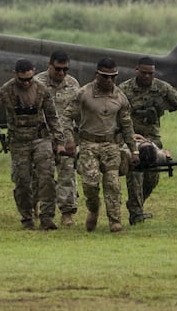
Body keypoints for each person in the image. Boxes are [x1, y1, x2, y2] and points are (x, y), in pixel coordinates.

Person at [0, 59, 65, 231]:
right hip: (19, 142)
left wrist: (59, 142)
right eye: (23, 80)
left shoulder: (41, 90)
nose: (27, 83)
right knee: (22, 181)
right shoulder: (6, 90)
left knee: (47, 177)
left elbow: (52, 117)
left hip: (40, 138)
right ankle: (27, 217)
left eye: (30, 79)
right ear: (15, 75)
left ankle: (47, 217)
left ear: (34, 73)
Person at [61, 57, 139, 233]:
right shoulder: (83, 94)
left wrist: (134, 150)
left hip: (111, 145)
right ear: (97, 75)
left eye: (113, 76)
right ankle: (93, 208)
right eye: (105, 76)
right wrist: (69, 140)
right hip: (88, 144)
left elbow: (127, 125)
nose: (109, 80)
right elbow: (66, 117)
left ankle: (115, 220)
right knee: (90, 183)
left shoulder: (120, 97)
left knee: (113, 183)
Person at [119, 56, 177, 225]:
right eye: (144, 73)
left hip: (153, 140)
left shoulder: (162, 88)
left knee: (152, 177)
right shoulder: (124, 90)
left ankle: (135, 204)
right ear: (137, 70)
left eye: (150, 73)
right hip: (131, 140)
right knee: (136, 171)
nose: (147, 77)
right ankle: (136, 215)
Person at [33, 50, 81, 227]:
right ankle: (38, 208)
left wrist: (75, 139)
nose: (61, 73)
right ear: (49, 66)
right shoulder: (38, 84)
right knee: (40, 176)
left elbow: (78, 112)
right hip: (43, 137)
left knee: (67, 174)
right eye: (58, 69)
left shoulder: (73, 84)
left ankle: (67, 213)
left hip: (67, 137)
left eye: (65, 70)